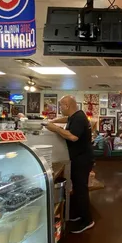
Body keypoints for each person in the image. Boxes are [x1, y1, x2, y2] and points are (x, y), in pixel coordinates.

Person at [46, 95, 95, 233]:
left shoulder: (79, 118)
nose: (60, 108)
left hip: (82, 159)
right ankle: (81, 214)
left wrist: (55, 128)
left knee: (81, 190)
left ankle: (87, 220)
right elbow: (67, 119)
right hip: (79, 158)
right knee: (78, 189)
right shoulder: (76, 116)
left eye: (61, 106)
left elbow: (73, 137)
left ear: (67, 106)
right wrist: (54, 121)